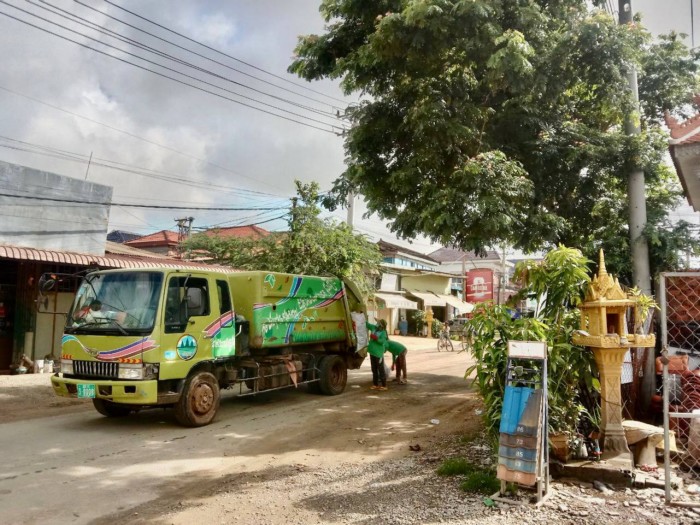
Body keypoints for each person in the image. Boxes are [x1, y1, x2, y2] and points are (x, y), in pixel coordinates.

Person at [366, 319, 388, 391]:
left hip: (378, 354)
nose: (377, 324)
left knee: (381, 370)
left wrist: (376, 338)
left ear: (382, 325)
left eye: (378, 323)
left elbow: (382, 341)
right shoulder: (374, 328)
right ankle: (375, 384)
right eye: (377, 323)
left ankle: (384, 385)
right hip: (372, 352)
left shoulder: (383, 332)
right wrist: (361, 317)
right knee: (374, 369)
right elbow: (367, 324)